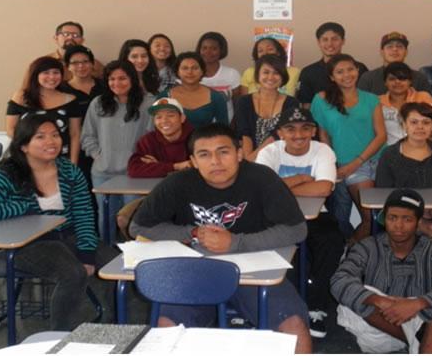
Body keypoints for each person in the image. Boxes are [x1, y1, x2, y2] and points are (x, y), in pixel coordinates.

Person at [129, 123, 312, 353]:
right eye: (204, 155)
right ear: (193, 161)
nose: (215, 161)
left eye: (223, 152)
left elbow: (296, 229)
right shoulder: (177, 183)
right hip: (196, 272)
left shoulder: (262, 178)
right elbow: (139, 227)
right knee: (165, 330)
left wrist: (236, 243)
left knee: (294, 328)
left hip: (257, 271)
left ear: (239, 154)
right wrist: (192, 232)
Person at [0, 113, 116, 330]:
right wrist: (23, 208)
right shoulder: (9, 174)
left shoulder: (69, 171)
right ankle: (60, 338)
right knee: (73, 273)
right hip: (31, 243)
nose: (51, 141)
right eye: (40, 137)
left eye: (55, 135)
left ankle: (116, 326)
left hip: (69, 235)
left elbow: (84, 214)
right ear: (24, 145)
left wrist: (87, 252)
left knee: (119, 266)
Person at [330, 188, 432, 354]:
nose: (398, 226)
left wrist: (417, 304)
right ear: (384, 220)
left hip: (419, 318)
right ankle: (414, 338)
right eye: (392, 218)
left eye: (407, 219)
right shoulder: (368, 246)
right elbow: (339, 280)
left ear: (418, 223)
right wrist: (379, 301)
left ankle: (418, 339)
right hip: (379, 326)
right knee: (354, 299)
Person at [255, 107, 345, 339]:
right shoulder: (269, 152)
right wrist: (303, 179)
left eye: (305, 128)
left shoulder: (322, 150)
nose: (298, 135)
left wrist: (282, 187)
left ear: (313, 131)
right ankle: (284, 307)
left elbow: (324, 188)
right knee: (280, 248)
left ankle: (316, 307)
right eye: (291, 129)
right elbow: (263, 191)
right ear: (280, 133)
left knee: (332, 241)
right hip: (277, 215)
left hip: (318, 214)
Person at [375, 102, 432, 276]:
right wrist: (418, 211)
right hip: (397, 215)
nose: (420, 127)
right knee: (431, 230)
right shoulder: (389, 155)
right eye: (414, 122)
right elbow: (382, 195)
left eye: (426, 122)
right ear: (404, 125)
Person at [311, 54, 387, 243]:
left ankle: (354, 252)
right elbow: (323, 135)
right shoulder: (321, 99)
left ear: (358, 70)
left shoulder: (371, 99)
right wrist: (331, 164)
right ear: (332, 77)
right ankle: (349, 254)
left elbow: (381, 135)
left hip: (378, 162)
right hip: (345, 164)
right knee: (369, 218)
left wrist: (357, 162)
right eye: (340, 71)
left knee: (382, 218)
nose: (347, 75)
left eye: (350, 69)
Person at [81, 60, 154, 243]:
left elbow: (153, 137)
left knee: (130, 219)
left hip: (134, 174)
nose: (116, 83)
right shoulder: (98, 103)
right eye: (111, 79)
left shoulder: (148, 103)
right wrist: (99, 155)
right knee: (105, 218)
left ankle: (131, 259)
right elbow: (87, 136)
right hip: (102, 172)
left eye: (122, 78)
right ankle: (106, 255)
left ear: (132, 79)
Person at [6, 56, 81, 165]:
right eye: (46, 72)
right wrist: (32, 150)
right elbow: (10, 129)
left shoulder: (70, 100)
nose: (52, 77)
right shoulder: (21, 97)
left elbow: (75, 134)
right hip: (27, 160)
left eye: (56, 72)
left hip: (61, 160)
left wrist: (73, 164)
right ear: (35, 75)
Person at [62, 45, 106, 207]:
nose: (81, 66)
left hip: (104, 146)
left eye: (85, 61)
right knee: (81, 190)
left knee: (102, 192)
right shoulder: (62, 89)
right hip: (75, 147)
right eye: (75, 63)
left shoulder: (105, 86)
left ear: (92, 63)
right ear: (68, 66)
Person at [235, 54, 300, 161]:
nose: (270, 77)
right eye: (266, 72)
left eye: (276, 73)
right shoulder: (244, 101)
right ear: (257, 75)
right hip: (248, 156)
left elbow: (278, 135)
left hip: (281, 157)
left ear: (283, 76)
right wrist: (248, 159)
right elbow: (244, 134)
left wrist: (254, 157)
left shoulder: (292, 103)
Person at [296, 22, 368, 109]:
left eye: (335, 39)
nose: (330, 44)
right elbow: (306, 106)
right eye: (325, 39)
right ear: (318, 42)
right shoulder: (308, 72)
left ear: (343, 41)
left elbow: (366, 100)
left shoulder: (359, 68)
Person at [156, 51, 229, 127]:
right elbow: (158, 127)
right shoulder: (165, 97)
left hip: (205, 138)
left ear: (202, 71)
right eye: (185, 68)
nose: (190, 72)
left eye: (195, 68)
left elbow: (223, 129)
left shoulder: (216, 97)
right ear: (178, 72)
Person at [127, 97, 194, 177]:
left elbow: (201, 168)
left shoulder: (197, 138)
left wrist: (158, 167)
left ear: (182, 118)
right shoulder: (148, 141)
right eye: (158, 117)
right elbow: (134, 170)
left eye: (170, 115)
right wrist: (176, 166)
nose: (164, 121)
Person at [379, 62, 432, 145]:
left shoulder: (424, 97)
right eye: (392, 79)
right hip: (388, 153)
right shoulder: (377, 102)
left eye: (402, 78)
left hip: (422, 150)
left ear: (410, 81)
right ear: (385, 82)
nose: (397, 82)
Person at [357, 32, 430, 95]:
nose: (395, 49)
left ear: (406, 52)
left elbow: (427, 108)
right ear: (382, 52)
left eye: (399, 46)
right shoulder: (368, 78)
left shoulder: (419, 78)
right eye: (390, 46)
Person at [197, 31, 241, 120]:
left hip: (226, 126)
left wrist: (234, 124)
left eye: (214, 48)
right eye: (204, 48)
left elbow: (237, 104)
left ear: (221, 50)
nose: (208, 52)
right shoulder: (191, 74)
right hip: (199, 128)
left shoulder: (232, 74)